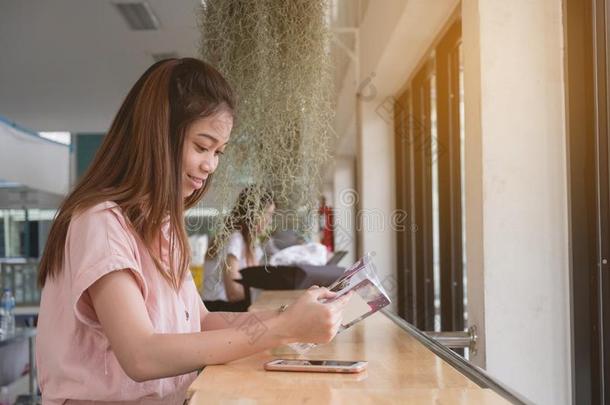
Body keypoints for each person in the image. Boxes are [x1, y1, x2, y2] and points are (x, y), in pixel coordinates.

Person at [35, 58, 351, 404]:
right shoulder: (99, 222)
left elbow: (200, 321)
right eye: (202, 146)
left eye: (218, 152)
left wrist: (287, 319)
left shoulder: (162, 225)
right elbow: (140, 354)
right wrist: (284, 328)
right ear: (158, 134)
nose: (210, 165)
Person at [203, 186, 274, 312]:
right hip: (216, 307)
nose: (269, 221)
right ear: (253, 213)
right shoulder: (234, 239)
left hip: (229, 307)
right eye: (267, 215)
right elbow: (233, 293)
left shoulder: (252, 244)